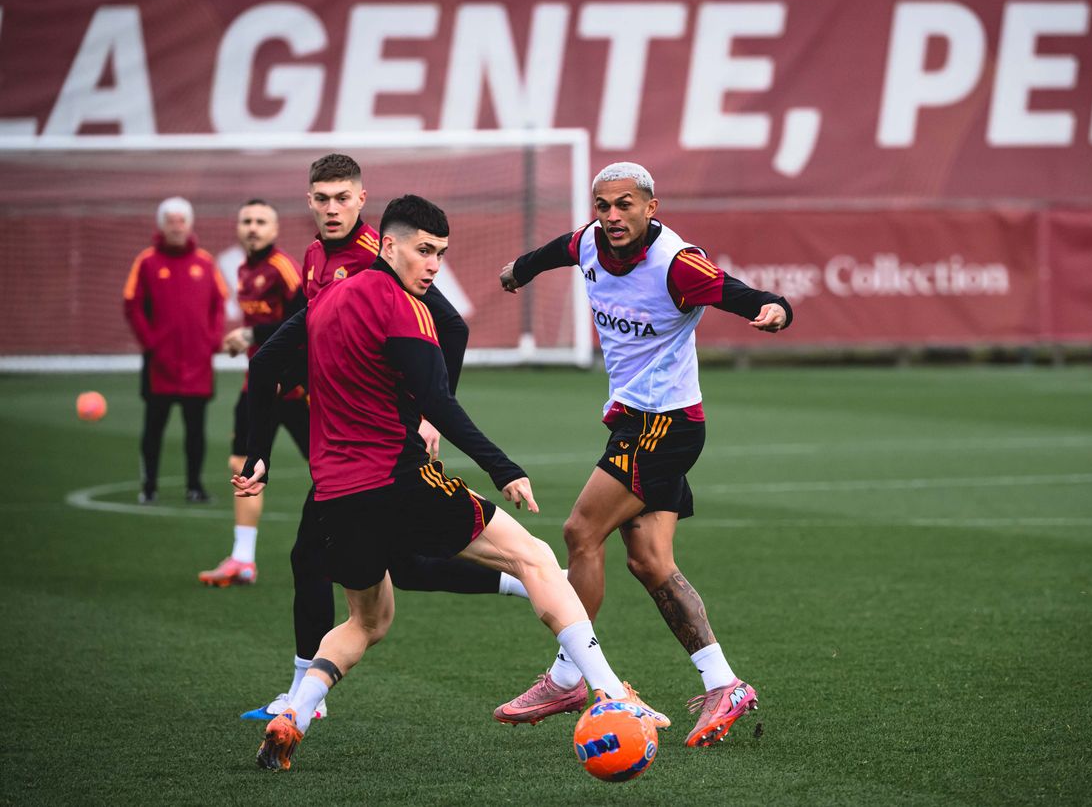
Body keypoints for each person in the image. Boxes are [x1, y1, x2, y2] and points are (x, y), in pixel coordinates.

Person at [235, 194, 666, 771]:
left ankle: (295, 712)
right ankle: (613, 693)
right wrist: (502, 466)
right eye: (423, 251)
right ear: (388, 245)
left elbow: (263, 364)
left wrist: (259, 452)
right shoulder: (406, 309)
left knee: (368, 621)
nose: (433, 264)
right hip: (400, 479)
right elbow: (438, 400)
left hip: (334, 498)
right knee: (535, 557)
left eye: (440, 253)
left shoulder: (326, 299)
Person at [495, 161, 792, 747]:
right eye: (602, 206)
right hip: (636, 422)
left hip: (665, 425)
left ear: (651, 207)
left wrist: (778, 309)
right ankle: (724, 682)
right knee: (650, 562)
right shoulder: (589, 241)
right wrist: (518, 270)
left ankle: (567, 677)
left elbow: (743, 293)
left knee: (581, 531)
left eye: (624, 205)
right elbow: (561, 247)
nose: (611, 217)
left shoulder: (678, 266)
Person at [240, 154, 543, 723]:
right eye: (322, 198)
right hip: (339, 433)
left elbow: (451, 327)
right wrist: (257, 450)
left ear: (362, 201)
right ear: (309, 200)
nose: (332, 208)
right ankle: (527, 581)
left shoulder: (388, 257)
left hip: (377, 445)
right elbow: (274, 356)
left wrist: (427, 415)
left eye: (342, 198)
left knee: (316, 558)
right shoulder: (313, 257)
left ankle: (303, 697)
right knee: (389, 566)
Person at [198, 199, 306, 586]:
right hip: (255, 387)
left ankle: (379, 546)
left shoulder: (283, 267)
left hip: (295, 388)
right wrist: (243, 340)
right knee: (242, 468)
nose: (253, 227)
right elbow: (263, 322)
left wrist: (252, 334)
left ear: (275, 229)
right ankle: (243, 559)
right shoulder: (245, 269)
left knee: (332, 469)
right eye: (247, 220)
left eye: (262, 221)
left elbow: (305, 316)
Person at [123, 196, 228, 504]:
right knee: (153, 429)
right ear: (161, 225)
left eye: (182, 221)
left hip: (198, 365)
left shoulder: (205, 262)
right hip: (160, 365)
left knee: (195, 431)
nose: (177, 227)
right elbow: (132, 304)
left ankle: (194, 486)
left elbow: (219, 302)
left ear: (190, 225)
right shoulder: (146, 261)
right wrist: (151, 342)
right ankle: (149, 487)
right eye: (171, 221)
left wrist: (212, 340)